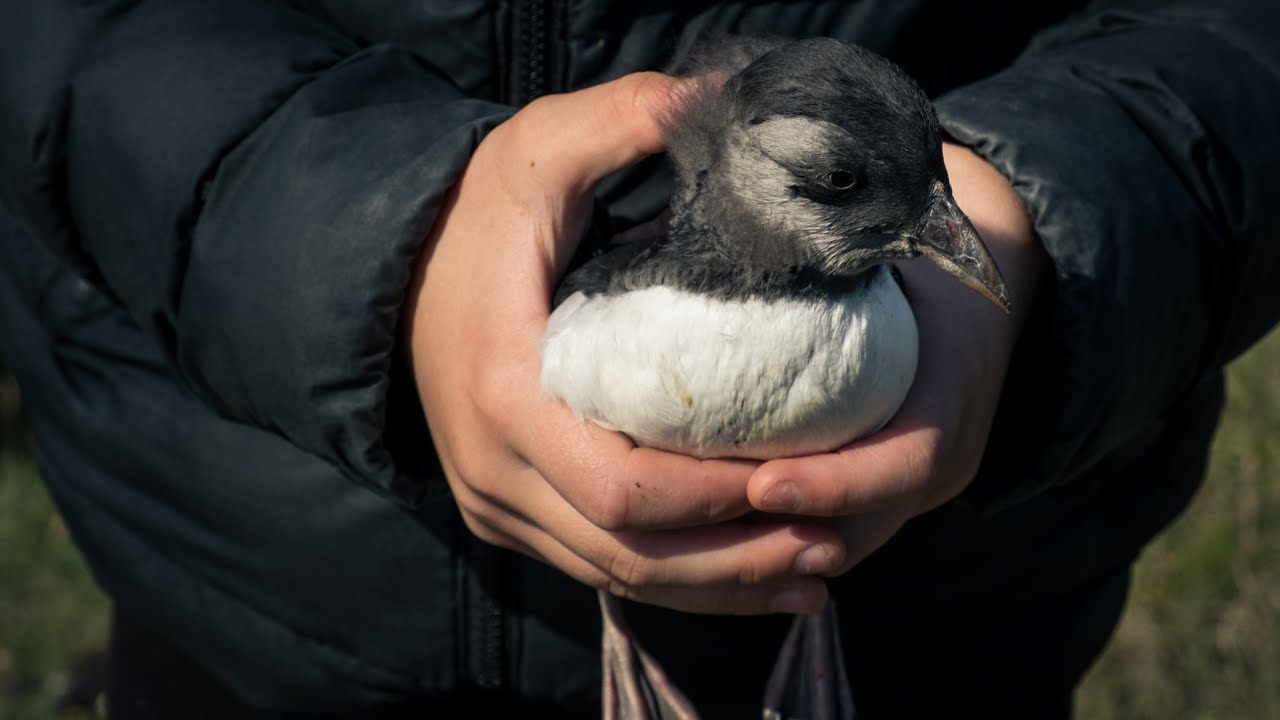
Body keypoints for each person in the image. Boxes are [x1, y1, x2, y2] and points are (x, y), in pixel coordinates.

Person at [0, 1, 1276, 718]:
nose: (937, 240)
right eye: (847, 187)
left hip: (948, 635)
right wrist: (365, 248)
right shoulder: (617, 295)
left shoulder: (907, 266)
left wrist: (1036, 224)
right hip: (250, 613)